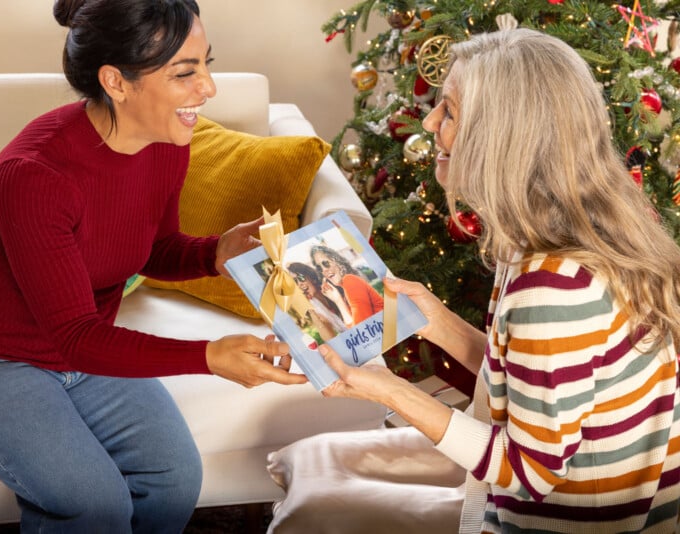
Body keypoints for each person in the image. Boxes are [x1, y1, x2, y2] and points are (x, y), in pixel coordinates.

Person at [268, 28, 680, 533]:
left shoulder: (552, 285)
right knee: (317, 468)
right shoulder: (559, 235)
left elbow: (529, 473)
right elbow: (535, 386)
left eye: (450, 112)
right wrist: (438, 321)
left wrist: (393, 392)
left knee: (308, 510)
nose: (429, 121)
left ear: (502, 136)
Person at [0, 1, 306, 533]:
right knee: (96, 506)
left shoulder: (166, 141)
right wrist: (209, 356)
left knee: (173, 478)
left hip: (80, 352)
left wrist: (213, 253)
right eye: (185, 72)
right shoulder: (33, 175)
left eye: (206, 64)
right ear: (116, 81)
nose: (208, 88)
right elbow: (73, 335)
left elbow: (151, 248)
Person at [310, 244, 384, 327]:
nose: (324, 270)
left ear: (337, 261)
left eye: (326, 263)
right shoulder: (345, 289)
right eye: (320, 268)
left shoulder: (349, 280)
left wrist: (338, 301)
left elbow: (361, 330)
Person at [288, 261, 348, 340]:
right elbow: (329, 338)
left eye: (301, 278)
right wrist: (309, 308)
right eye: (295, 282)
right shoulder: (314, 306)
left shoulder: (334, 288)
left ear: (312, 278)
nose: (299, 284)